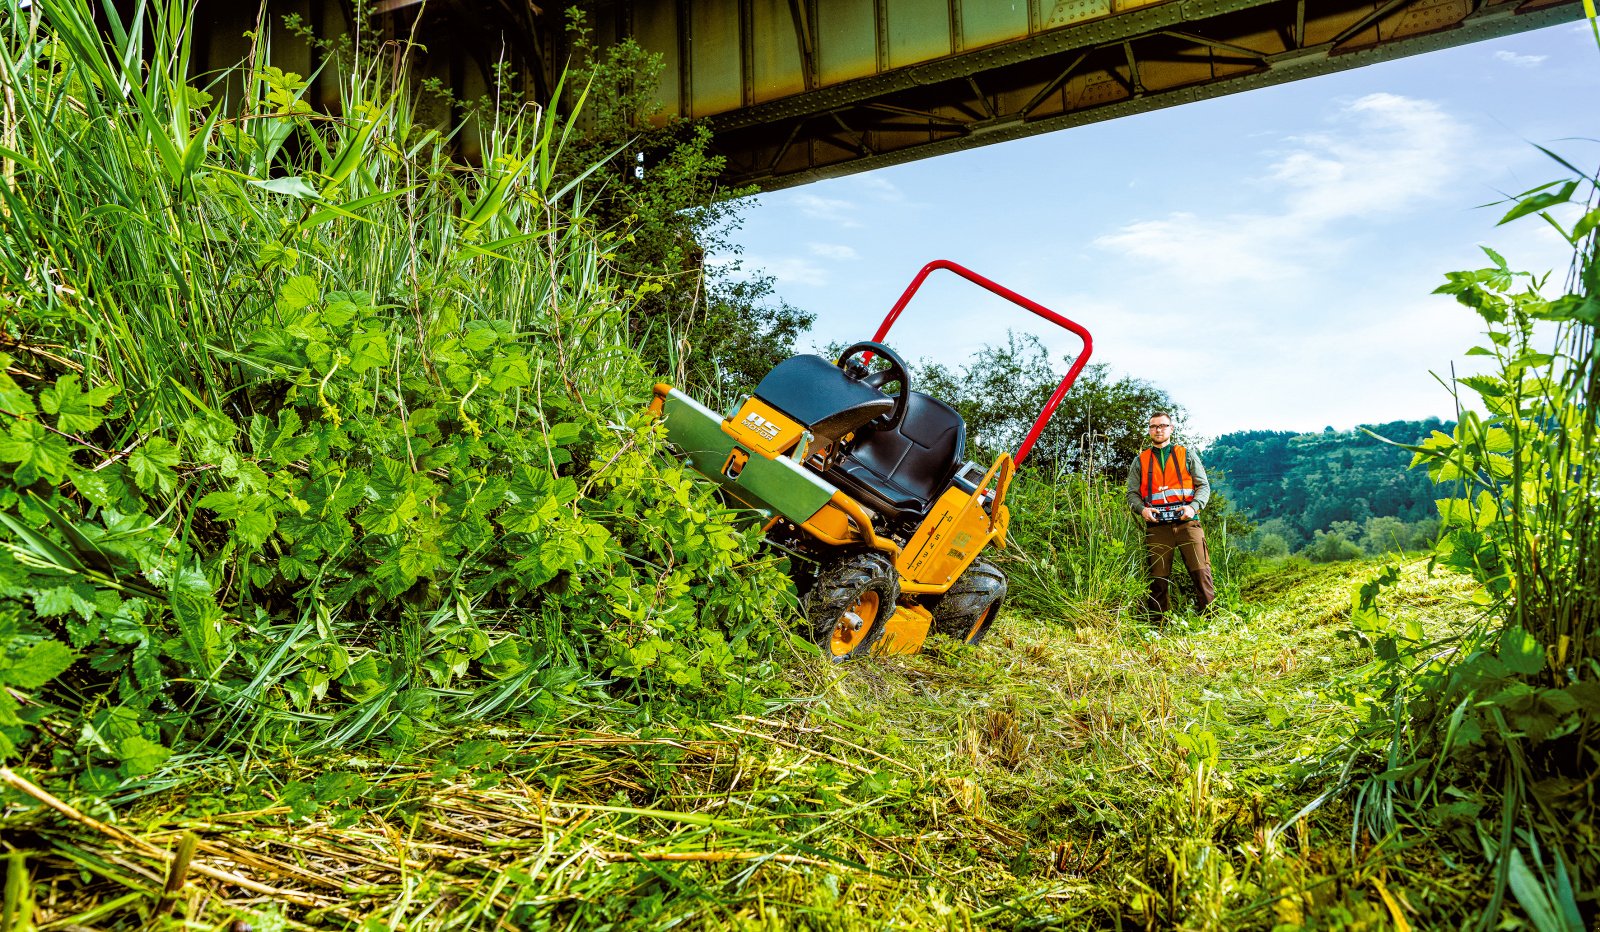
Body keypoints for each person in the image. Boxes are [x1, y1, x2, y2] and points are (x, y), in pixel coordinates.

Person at [1125, 412, 1215, 618]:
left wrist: (1193, 507)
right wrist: (1143, 510)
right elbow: (1132, 493)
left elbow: (1203, 486)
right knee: (1158, 579)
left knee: (1201, 573)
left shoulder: (1187, 454)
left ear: (1171, 429)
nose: (1158, 430)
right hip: (1157, 527)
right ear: (1149, 430)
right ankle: (1158, 625)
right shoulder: (1140, 460)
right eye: (1154, 426)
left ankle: (1212, 621)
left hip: (1188, 523)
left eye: (1163, 426)